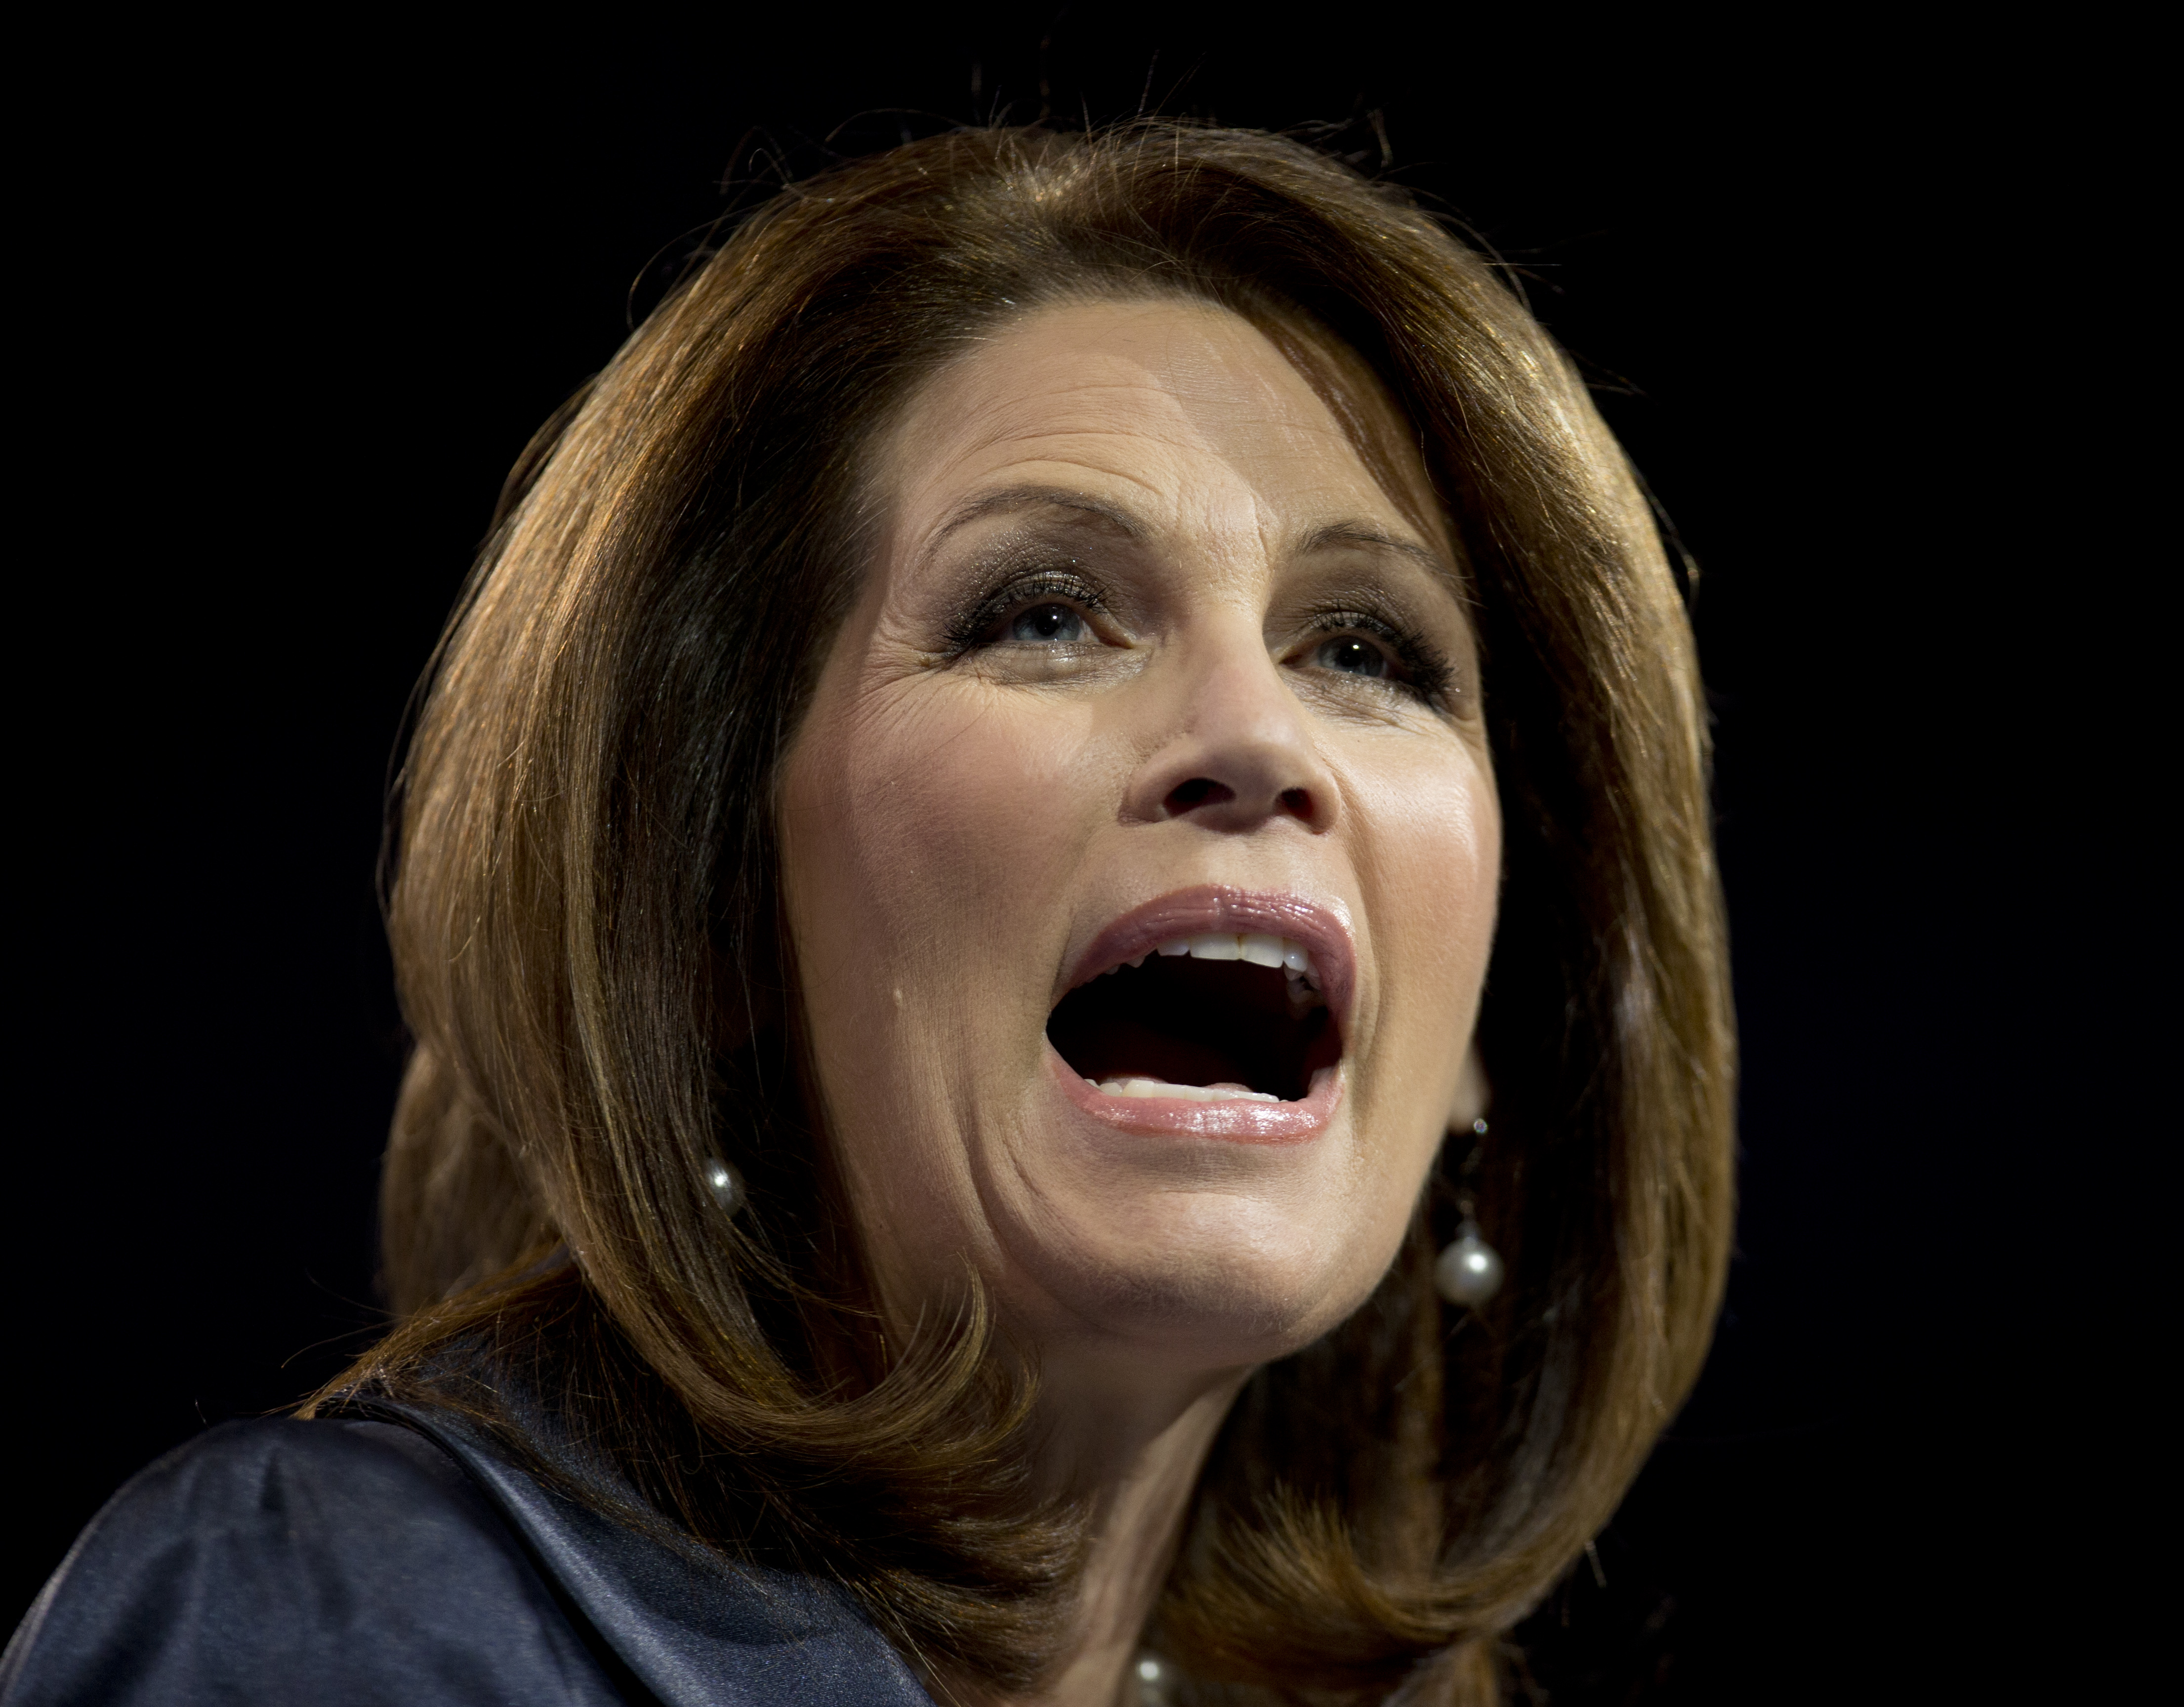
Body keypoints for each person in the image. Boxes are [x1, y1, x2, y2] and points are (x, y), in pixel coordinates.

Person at [2, 122, 1734, 1707]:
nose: (1258, 739)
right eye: (1043, 614)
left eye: (1367, 649)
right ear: (712, 911)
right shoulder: (338, 1616)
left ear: (1493, 1025)